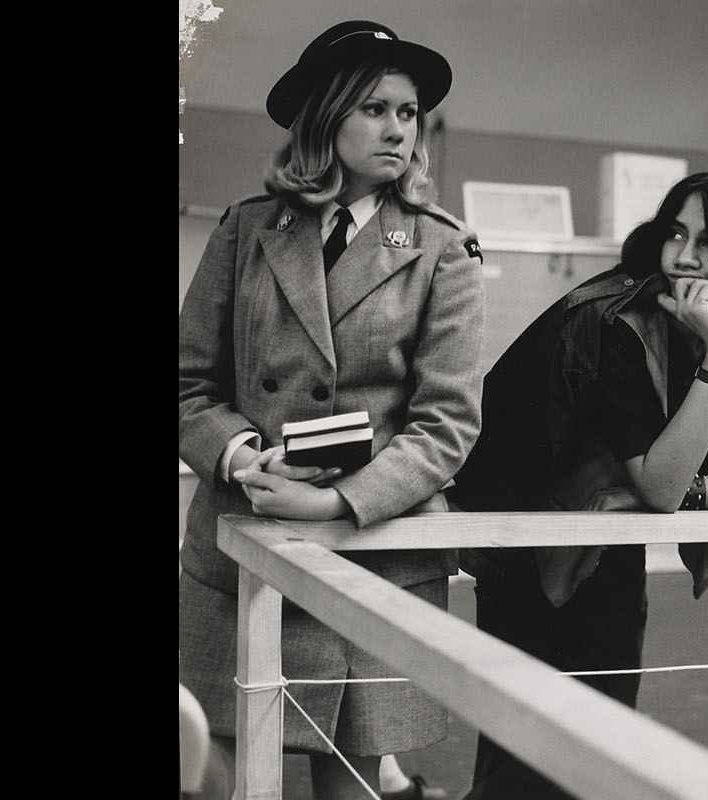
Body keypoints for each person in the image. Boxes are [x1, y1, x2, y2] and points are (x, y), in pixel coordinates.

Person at [177, 20, 484, 800]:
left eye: (408, 113)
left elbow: (447, 422)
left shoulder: (441, 248)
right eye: (375, 108)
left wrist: (335, 501)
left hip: (373, 550)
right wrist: (243, 458)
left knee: (348, 779)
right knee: (213, 768)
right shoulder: (248, 229)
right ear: (326, 116)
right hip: (244, 543)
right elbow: (188, 384)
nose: (397, 130)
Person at [447, 172, 708, 799]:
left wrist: (700, 491)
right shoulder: (620, 317)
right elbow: (662, 486)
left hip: (607, 532)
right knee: (523, 755)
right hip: (524, 532)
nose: (684, 255)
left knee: (601, 740)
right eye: (677, 232)